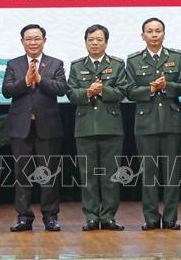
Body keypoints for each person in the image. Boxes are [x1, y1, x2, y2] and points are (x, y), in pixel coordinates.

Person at [2, 24, 67, 232]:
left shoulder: (55, 63)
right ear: (22, 42)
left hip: (47, 127)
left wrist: (40, 79)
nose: (32, 42)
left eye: (37, 38)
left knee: (49, 174)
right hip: (20, 128)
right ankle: (24, 217)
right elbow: (7, 90)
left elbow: (61, 88)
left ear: (44, 41)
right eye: (28, 39)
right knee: (22, 175)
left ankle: (50, 217)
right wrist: (25, 81)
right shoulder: (13, 64)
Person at [125, 18, 181, 230]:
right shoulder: (133, 60)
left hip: (171, 122)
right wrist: (151, 89)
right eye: (149, 31)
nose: (154, 34)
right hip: (146, 123)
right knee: (149, 174)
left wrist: (167, 86)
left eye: (158, 31)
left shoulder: (176, 57)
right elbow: (129, 91)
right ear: (142, 35)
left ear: (164, 34)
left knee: (172, 174)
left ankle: (170, 218)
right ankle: (151, 218)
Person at [67, 24, 127, 231]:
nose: (95, 43)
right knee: (88, 176)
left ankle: (108, 216)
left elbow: (123, 92)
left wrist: (102, 91)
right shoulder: (76, 66)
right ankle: (91, 217)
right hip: (85, 128)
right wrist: (88, 92)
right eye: (91, 39)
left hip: (111, 128)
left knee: (111, 176)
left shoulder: (117, 65)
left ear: (106, 42)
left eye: (99, 39)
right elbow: (71, 94)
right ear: (85, 42)